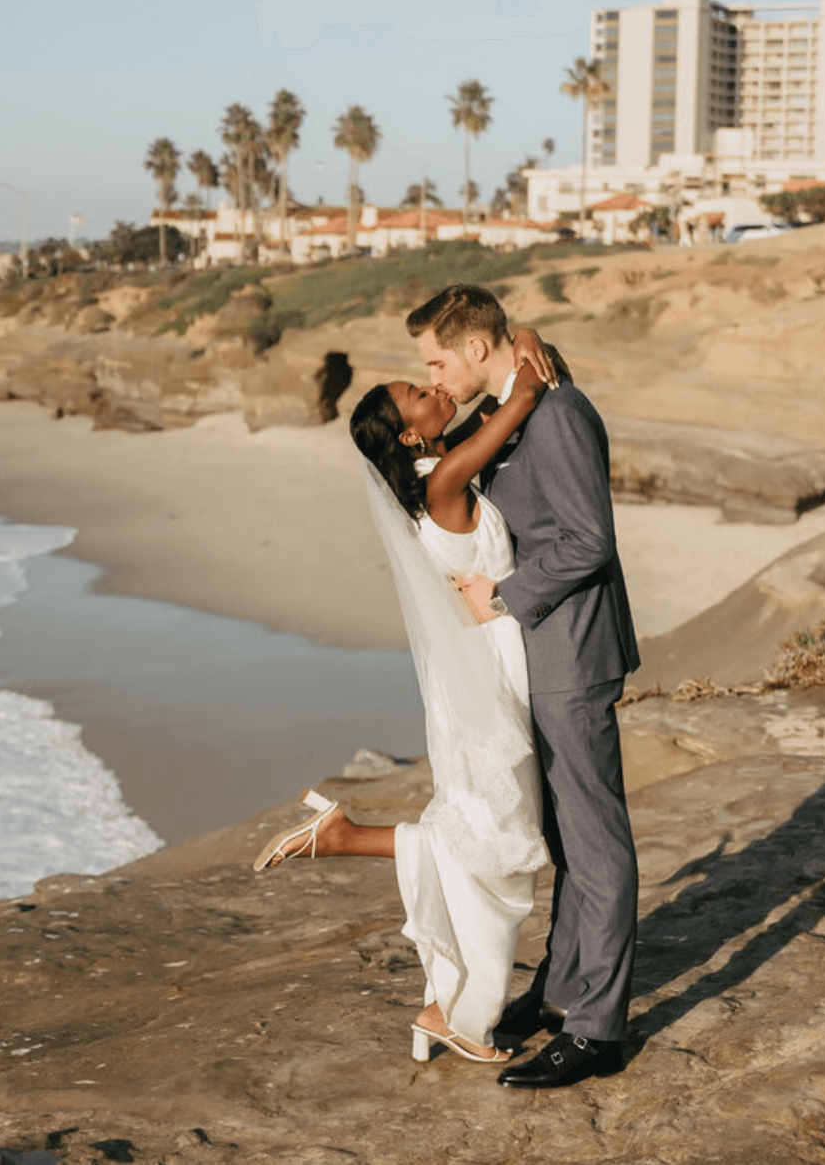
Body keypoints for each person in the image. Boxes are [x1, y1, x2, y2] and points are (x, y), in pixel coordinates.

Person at [255, 329, 555, 1064]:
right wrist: (516, 355)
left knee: (482, 831)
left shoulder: (436, 476)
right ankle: (464, 1014)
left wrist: (505, 352)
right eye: (418, 395)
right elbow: (520, 399)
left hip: (478, 673)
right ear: (408, 431)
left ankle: (436, 997)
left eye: (424, 381)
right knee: (503, 850)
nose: (433, 389)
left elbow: (508, 383)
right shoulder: (446, 480)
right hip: (489, 674)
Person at [406, 284, 640, 1090]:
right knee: (570, 839)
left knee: (596, 841)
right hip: (537, 659)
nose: (433, 376)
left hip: (572, 654)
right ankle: (562, 988)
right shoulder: (510, 404)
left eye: (439, 358)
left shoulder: (560, 413)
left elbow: (588, 541)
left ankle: (599, 1030)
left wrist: (501, 595)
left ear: (476, 348)